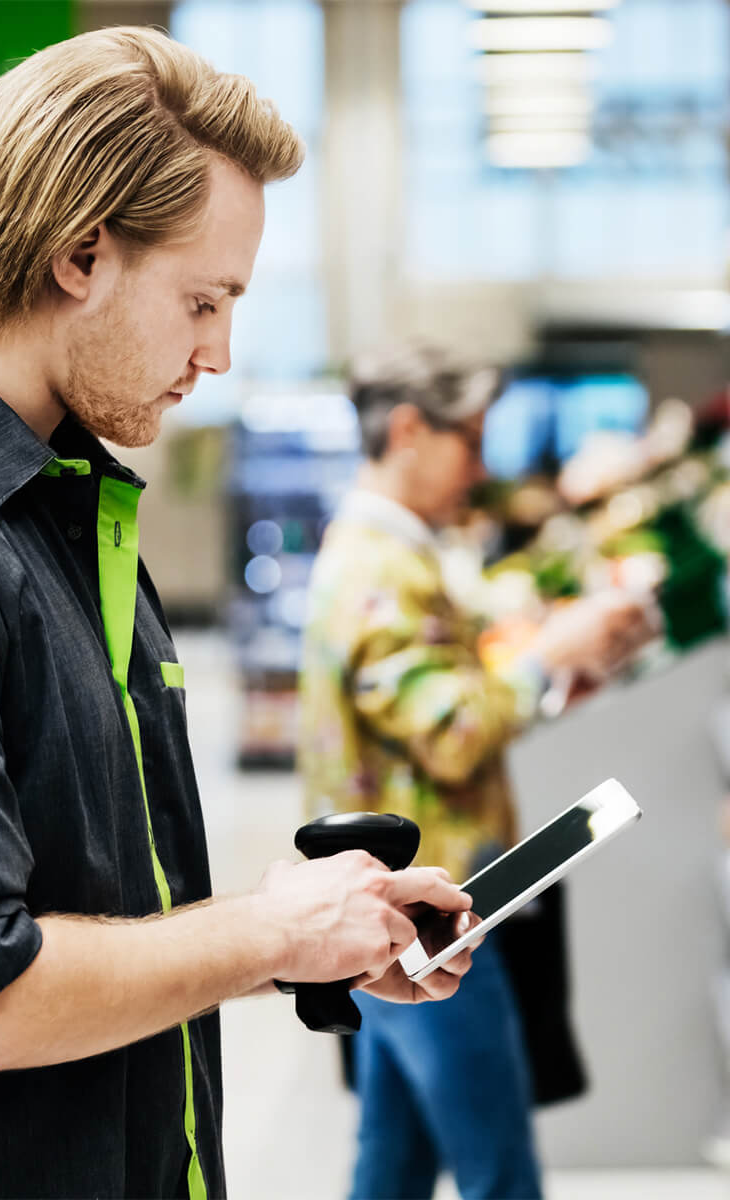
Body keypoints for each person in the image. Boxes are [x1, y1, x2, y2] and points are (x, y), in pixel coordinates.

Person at [0, 29, 482, 1200]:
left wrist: (314, 927)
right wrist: (270, 935)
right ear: (79, 253)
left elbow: (90, 905)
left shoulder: (63, 512)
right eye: (203, 300)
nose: (218, 352)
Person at [297, 342, 657, 1200]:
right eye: (469, 439)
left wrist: (554, 664)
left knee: (395, 1162)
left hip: (400, 905)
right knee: (500, 1171)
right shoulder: (378, 568)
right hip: (437, 911)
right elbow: (454, 729)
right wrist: (548, 658)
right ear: (410, 431)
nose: (480, 466)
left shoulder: (396, 553)